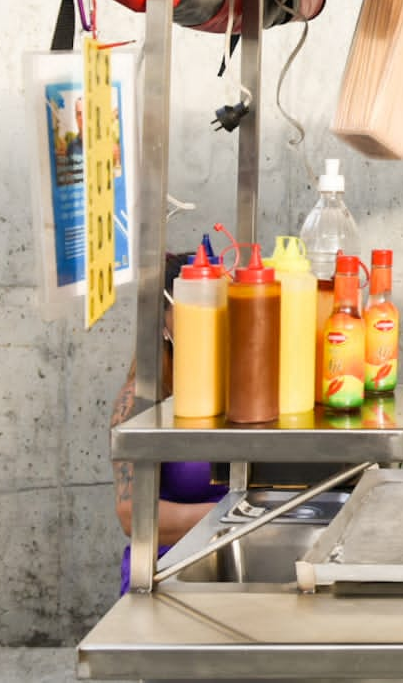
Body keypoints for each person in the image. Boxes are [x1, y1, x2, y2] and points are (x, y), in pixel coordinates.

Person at [110, 252, 223, 594]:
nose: (210, 317)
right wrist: (229, 516)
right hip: (166, 571)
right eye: (194, 306)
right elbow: (132, 515)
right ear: (162, 324)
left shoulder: (236, 388)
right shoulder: (140, 401)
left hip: (230, 558)